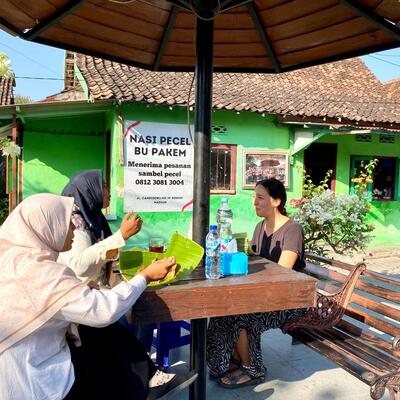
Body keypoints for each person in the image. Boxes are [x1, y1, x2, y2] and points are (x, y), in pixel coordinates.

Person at [0, 193, 196, 400]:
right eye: (66, 221)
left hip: (28, 364)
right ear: (47, 226)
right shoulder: (38, 272)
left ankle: (148, 381)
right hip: (35, 383)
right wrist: (144, 276)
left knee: (102, 334)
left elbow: (42, 298)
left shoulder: (15, 260)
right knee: (107, 332)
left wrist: (78, 289)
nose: (75, 226)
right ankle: (144, 383)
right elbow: (103, 310)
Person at [206, 178, 309, 388]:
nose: (254, 202)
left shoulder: (292, 229)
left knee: (241, 314)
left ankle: (252, 369)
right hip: (266, 294)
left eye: (260, 197)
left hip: (291, 300)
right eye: (254, 197)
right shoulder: (259, 227)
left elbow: (283, 272)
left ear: (276, 201)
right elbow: (254, 263)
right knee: (221, 309)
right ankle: (225, 361)